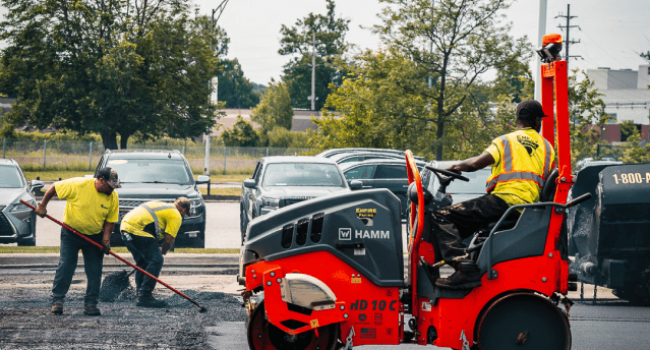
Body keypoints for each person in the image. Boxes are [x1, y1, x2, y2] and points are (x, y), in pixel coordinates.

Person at [430, 100, 555, 289]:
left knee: (441, 217)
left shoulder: (506, 141)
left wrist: (457, 166)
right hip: (527, 209)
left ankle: (464, 268)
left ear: (518, 119)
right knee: (453, 230)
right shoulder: (547, 149)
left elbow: (475, 164)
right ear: (537, 121)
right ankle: (447, 267)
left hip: (503, 202)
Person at [36, 168, 121, 315]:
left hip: (94, 235)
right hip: (71, 233)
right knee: (67, 264)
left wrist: (105, 239)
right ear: (100, 180)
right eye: (110, 186)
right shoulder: (78, 184)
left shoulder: (112, 197)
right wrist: (43, 205)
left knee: (94, 269)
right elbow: (55, 187)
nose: (112, 190)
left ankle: (91, 303)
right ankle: (58, 300)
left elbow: (110, 220)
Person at [119, 197, 190, 307]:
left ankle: (140, 294)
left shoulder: (161, 207)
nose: (183, 216)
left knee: (143, 262)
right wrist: (164, 250)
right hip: (139, 230)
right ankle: (145, 295)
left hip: (125, 229)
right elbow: (169, 238)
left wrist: (157, 248)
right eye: (185, 213)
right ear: (183, 210)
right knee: (156, 259)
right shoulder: (175, 214)